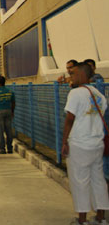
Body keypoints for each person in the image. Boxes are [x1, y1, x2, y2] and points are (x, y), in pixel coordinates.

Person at [61, 62, 109, 225]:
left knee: (79, 181)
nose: (70, 77)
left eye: (73, 73)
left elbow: (70, 119)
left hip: (79, 144)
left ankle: (82, 220)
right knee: (98, 180)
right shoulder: (99, 96)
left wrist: (64, 142)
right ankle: (101, 217)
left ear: (82, 75)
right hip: (97, 144)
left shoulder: (75, 94)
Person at [0, 75, 15, 154]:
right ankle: (10, 148)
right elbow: (13, 102)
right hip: (8, 111)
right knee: (8, 130)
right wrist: (12, 111)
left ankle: (2, 148)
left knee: (0, 130)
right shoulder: (10, 91)